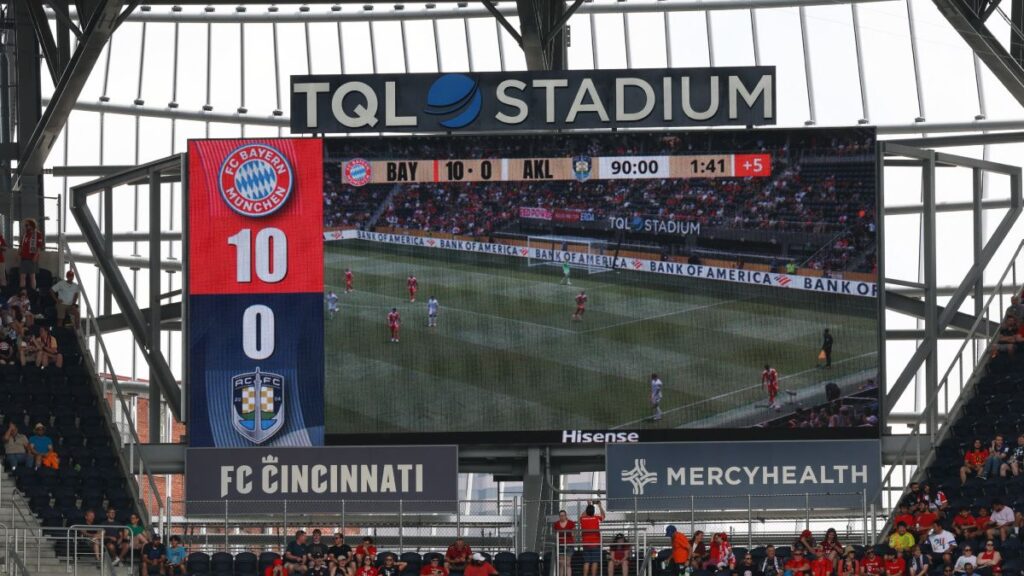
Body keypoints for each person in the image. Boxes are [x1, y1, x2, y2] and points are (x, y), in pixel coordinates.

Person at [580, 501, 605, 576]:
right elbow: (603, 516)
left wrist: (588, 505)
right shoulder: (596, 518)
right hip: (596, 543)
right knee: (595, 562)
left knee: (587, 562)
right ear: (593, 512)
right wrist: (600, 506)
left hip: (586, 543)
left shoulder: (583, 519)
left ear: (587, 511)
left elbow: (582, 515)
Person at [19, 218, 43, 290]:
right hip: (23, 257)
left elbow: (39, 247)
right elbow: (21, 245)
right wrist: (19, 253)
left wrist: (35, 256)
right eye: (25, 225)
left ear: (31, 225)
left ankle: (33, 291)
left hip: (32, 258)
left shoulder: (38, 234)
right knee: (22, 276)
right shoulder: (25, 234)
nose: (25, 227)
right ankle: (22, 292)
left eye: (27, 225)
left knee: (32, 276)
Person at [553, 510, 575, 576]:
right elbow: (554, 534)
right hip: (560, 545)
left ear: (566, 516)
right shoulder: (556, 524)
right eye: (560, 516)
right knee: (561, 564)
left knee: (568, 563)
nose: (562, 517)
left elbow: (573, 533)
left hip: (569, 544)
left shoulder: (571, 523)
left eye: (563, 515)